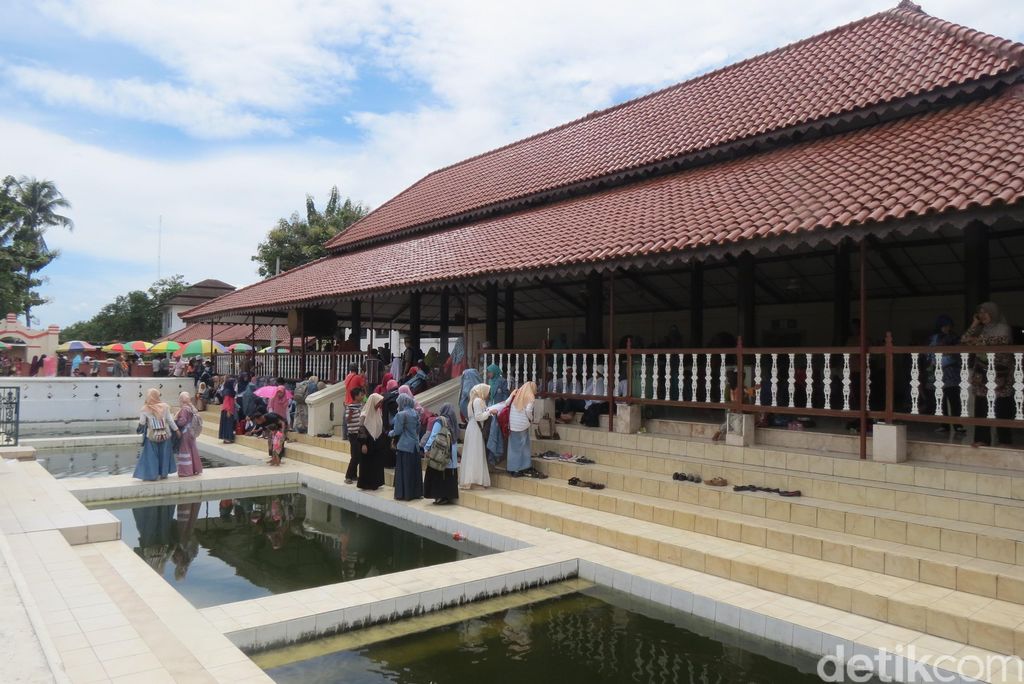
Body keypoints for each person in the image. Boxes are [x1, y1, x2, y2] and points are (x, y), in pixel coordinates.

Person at [962, 301, 1014, 447]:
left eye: (986, 312)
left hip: (1000, 373)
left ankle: (1004, 440)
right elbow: (964, 340)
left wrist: (978, 341)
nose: (982, 316)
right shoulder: (982, 329)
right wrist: (974, 324)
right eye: (980, 313)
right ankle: (982, 439)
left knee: (1002, 407)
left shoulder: (1003, 328)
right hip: (982, 372)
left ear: (994, 313)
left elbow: (1001, 341)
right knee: (981, 406)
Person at [926, 314, 964, 434]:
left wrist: (947, 355)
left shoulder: (954, 338)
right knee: (940, 400)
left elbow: (958, 353)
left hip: (951, 373)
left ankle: (957, 425)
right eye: (944, 326)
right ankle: (945, 425)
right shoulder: (933, 338)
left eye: (948, 326)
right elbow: (929, 354)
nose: (946, 328)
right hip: (938, 373)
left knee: (954, 400)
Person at [134, 389, 180, 481]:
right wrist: (177, 430)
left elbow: (142, 423)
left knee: (151, 455)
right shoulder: (165, 406)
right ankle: (163, 474)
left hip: (151, 436)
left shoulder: (145, 408)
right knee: (164, 454)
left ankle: (152, 475)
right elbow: (170, 420)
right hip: (165, 434)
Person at [423, 403, 460, 505]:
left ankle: (439, 496)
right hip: (451, 453)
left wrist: (426, 448)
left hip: (441, 453)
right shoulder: (454, 421)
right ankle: (448, 496)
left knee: (438, 473)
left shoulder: (440, 420)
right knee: (449, 475)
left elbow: (433, 435)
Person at [389, 393, 423, 501]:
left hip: (404, 446)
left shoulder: (401, 414)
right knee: (414, 470)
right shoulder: (415, 413)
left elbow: (397, 431)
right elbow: (418, 429)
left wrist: (389, 433)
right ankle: (415, 493)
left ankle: (404, 494)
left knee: (404, 470)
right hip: (414, 445)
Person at [460, 383, 492, 490]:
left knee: (473, 453)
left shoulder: (472, 402)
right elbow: (478, 417)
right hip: (476, 430)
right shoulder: (478, 401)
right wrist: (489, 412)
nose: (488, 394)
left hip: (472, 428)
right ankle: (475, 481)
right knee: (476, 453)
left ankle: (472, 480)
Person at [355, 394, 387, 490]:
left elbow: (380, 428)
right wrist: (363, 444)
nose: (380, 404)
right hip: (368, 443)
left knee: (376, 464)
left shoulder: (378, 413)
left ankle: (375, 483)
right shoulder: (364, 415)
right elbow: (361, 429)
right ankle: (366, 484)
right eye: (379, 402)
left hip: (377, 443)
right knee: (367, 464)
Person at [505, 382, 537, 476]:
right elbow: (528, 410)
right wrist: (531, 419)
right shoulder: (530, 396)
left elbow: (507, 403)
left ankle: (511, 468)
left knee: (513, 447)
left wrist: (511, 395)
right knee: (522, 446)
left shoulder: (516, 392)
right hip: (522, 425)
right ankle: (519, 469)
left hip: (512, 424)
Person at [173, 392, 203, 477]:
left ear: (182, 400)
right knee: (193, 449)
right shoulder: (192, 407)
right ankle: (195, 469)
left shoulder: (184, 409)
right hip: (192, 432)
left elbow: (182, 421)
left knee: (185, 450)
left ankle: (186, 471)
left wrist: (176, 419)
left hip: (185, 432)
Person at [485, 363, 509, 465]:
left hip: (499, 410)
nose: (488, 374)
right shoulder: (489, 381)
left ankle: (498, 456)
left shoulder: (502, 381)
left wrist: (502, 406)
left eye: (489, 372)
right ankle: (491, 457)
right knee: (491, 432)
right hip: (490, 409)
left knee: (498, 432)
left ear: (494, 371)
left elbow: (505, 395)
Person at [344, 386, 366, 484]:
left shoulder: (361, 406)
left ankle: (353, 475)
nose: (362, 396)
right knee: (355, 455)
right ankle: (348, 476)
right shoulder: (350, 407)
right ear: (356, 396)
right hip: (353, 434)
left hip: (360, 433)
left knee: (357, 455)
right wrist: (351, 413)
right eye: (361, 395)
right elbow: (347, 421)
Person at [343, 363, 366, 437]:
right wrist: (362, 377)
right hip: (354, 401)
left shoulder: (347, 377)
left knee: (346, 419)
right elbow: (363, 386)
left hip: (347, 400)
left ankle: (344, 435)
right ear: (356, 368)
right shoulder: (358, 377)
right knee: (356, 418)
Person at [218, 377, 237, 443]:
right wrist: (228, 411)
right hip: (227, 410)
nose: (234, 385)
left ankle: (227, 438)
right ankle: (227, 438)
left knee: (228, 424)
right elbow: (226, 402)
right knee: (227, 424)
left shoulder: (229, 391)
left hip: (229, 410)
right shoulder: (227, 391)